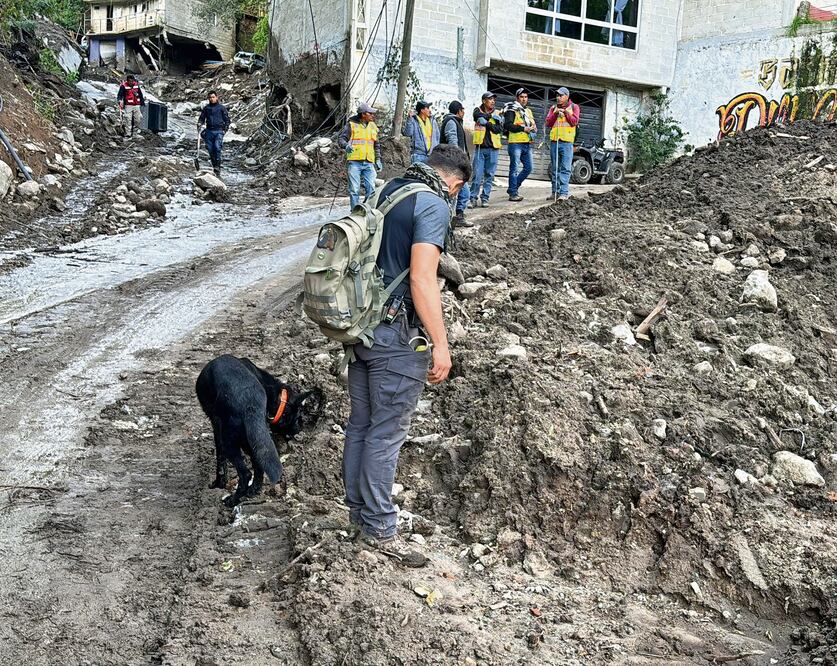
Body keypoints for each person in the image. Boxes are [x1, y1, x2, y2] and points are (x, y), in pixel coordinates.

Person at [344, 144, 471, 568]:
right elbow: (421, 278)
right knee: (386, 432)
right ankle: (380, 528)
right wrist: (441, 342)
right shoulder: (433, 204)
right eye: (456, 192)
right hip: (397, 336)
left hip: (362, 327)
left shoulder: (387, 190)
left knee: (361, 425)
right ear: (453, 182)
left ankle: (359, 516)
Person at [338, 102, 382, 209]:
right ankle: (355, 212)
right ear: (363, 114)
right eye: (370, 113)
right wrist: (346, 146)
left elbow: (376, 145)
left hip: (369, 162)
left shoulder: (373, 126)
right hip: (354, 162)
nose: (373, 115)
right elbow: (341, 139)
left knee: (371, 189)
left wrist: (378, 159)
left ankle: (367, 210)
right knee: (354, 190)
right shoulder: (351, 125)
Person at [439, 100, 472, 227]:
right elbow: (452, 140)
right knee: (457, 192)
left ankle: (457, 217)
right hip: (453, 163)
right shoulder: (451, 122)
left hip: (454, 161)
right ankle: (449, 219)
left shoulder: (454, 122)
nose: (464, 112)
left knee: (461, 191)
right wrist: (458, 159)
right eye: (462, 110)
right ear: (458, 111)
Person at [545, 87, 581, 201]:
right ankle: (554, 192)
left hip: (566, 143)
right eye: (557, 96)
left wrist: (565, 112)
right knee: (555, 168)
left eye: (561, 95)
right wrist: (555, 114)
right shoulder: (553, 108)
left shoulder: (574, 107)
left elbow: (574, 121)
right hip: (555, 142)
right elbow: (548, 123)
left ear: (567, 96)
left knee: (565, 168)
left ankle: (563, 193)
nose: (558, 98)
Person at [469, 91, 503, 208]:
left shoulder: (498, 113)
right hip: (480, 148)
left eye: (494, 99)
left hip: (493, 149)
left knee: (489, 175)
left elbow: (497, 129)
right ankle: (472, 198)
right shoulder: (477, 110)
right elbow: (477, 117)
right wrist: (491, 117)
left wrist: (487, 123)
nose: (493, 101)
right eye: (490, 99)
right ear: (484, 101)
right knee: (477, 175)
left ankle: (485, 198)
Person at [503, 87, 537, 202]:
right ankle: (513, 193)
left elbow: (532, 123)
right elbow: (507, 125)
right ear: (517, 98)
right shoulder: (511, 109)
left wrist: (533, 128)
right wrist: (523, 128)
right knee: (514, 169)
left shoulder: (528, 111)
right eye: (521, 97)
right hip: (515, 143)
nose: (524, 99)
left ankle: (512, 188)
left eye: (526, 97)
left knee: (528, 168)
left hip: (526, 143)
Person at [197, 90, 231, 177]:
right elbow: (202, 118)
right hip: (209, 131)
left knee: (217, 147)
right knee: (210, 149)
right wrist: (199, 123)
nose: (211, 99)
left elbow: (227, 120)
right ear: (208, 98)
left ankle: (218, 166)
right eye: (210, 98)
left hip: (219, 131)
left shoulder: (221, 108)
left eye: (213, 97)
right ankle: (214, 165)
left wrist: (224, 130)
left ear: (216, 97)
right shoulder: (206, 108)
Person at [117, 73, 145, 139]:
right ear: (127, 81)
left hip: (136, 105)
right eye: (130, 81)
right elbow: (120, 95)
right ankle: (128, 134)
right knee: (128, 119)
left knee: (138, 119)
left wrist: (142, 102)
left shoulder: (136, 86)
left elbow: (140, 95)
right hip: (128, 105)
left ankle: (135, 134)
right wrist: (119, 100)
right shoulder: (123, 86)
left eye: (132, 81)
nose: (131, 82)